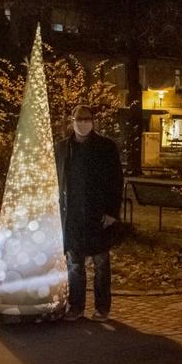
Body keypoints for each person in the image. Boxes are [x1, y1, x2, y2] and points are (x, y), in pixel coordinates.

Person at [56, 105, 124, 322]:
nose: (82, 123)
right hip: (73, 215)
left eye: (87, 119)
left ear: (93, 121)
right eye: (79, 119)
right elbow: (58, 180)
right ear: (72, 120)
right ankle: (76, 307)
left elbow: (116, 181)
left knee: (101, 263)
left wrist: (112, 212)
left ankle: (102, 308)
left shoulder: (106, 147)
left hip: (98, 214)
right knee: (74, 264)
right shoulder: (62, 148)